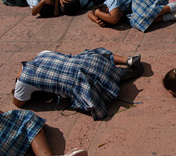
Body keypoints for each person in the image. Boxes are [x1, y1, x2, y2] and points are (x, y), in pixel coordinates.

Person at [12, 48, 143, 120]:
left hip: (83, 80)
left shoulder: (24, 82)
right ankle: (127, 61)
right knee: (91, 54)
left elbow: (18, 103)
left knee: (86, 94)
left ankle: (116, 79)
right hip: (91, 61)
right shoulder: (42, 53)